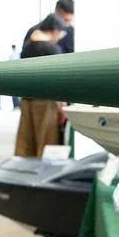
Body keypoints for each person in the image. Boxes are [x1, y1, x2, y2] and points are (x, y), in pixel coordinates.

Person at [14, 13, 68, 158]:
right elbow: (58, 79)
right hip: (46, 101)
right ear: (55, 31)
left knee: (26, 141)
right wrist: (62, 105)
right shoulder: (52, 49)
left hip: (27, 99)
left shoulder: (28, 46)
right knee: (46, 141)